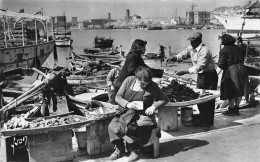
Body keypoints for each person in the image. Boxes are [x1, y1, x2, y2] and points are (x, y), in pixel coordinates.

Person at [108, 66, 169, 161]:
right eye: (142, 83)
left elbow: (164, 99)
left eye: (147, 84)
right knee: (112, 126)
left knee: (131, 128)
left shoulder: (153, 86)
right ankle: (120, 149)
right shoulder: (129, 80)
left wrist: (154, 106)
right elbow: (118, 97)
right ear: (136, 78)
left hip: (143, 114)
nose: (144, 86)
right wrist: (127, 104)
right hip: (126, 111)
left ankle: (135, 150)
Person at [166, 32, 218, 127]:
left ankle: (209, 121)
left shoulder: (205, 51)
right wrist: (174, 58)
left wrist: (185, 71)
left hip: (210, 76)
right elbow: (183, 55)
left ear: (199, 41)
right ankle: (202, 117)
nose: (191, 43)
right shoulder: (191, 48)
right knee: (200, 96)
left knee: (209, 98)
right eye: (190, 41)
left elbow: (200, 67)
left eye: (193, 41)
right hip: (201, 76)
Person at [111, 39, 164, 104]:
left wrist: (160, 72)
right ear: (139, 47)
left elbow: (145, 68)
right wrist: (146, 75)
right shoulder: (133, 56)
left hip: (124, 85)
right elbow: (132, 70)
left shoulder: (136, 56)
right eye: (144, 47)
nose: (145, 49)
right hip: (122, 85)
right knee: (117, 106)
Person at [218, 34, 249, 116]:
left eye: (221, 40)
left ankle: (231, 109)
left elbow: (221, 65)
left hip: (232, 70)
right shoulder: (238, 48)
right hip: (242, 69)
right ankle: (236, 109)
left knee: (231, 91)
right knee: (239, 90)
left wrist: (215, 74)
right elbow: (242, 59)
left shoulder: (224, 50)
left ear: (225, 41)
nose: (221, 41)